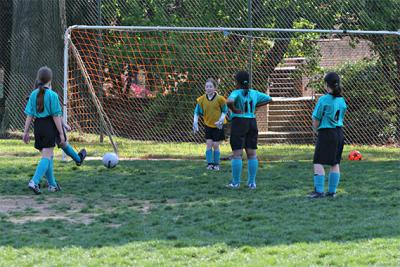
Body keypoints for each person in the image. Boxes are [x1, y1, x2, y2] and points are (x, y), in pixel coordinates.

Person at [23, 66, 86, 194]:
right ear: (50, 80)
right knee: (47, 157)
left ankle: (52, 185)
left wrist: (25, 132)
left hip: (38, 127)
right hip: (49, 127)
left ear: (39, 79)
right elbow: (55, 116)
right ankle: (34, 182)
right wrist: (62, 133)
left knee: (48, 156)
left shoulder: (33, 94)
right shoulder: (52, 95)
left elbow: (29, 115)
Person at [226, 71, 272, 189]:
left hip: (239, 123)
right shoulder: (254, 93)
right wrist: (256, 106)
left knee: (237, 154)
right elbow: (269, 99)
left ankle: (235, 183)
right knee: (252, 154)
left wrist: (235, 110)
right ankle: (252, 183)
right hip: (252, 123)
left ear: (237, 82)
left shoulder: (236, 92)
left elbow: (229, 102)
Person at [309, 72, 347, 198]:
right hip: (339, 133)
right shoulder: (342, 100)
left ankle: (319, 191)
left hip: (327, 132)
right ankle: (332, 192)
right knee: (335, 163)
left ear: (326, 85)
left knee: (318, 161)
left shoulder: (324, 99)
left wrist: (316, 131)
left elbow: (316, 118)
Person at [193, 78, 228, 170]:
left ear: (215, 88)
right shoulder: (201, 99)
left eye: (210, 86)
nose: (208, 88)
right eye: (207, 86)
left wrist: (221, 120)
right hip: (208, 125)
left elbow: (225, 110)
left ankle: (216, 164)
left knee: (215, 145)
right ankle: (210, 164)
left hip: (218, 125)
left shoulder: (220, 99)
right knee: (209, 144)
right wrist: (195, 122)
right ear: (205, 88)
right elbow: (196, 112)